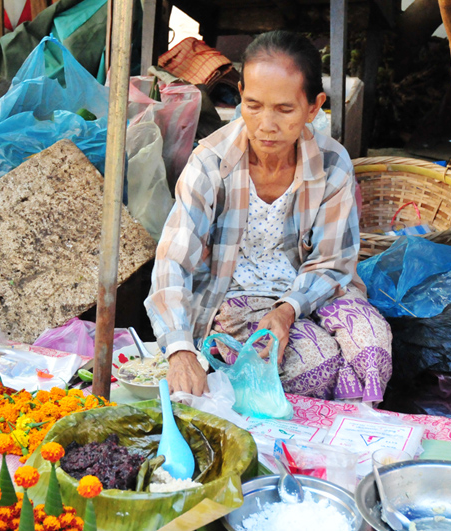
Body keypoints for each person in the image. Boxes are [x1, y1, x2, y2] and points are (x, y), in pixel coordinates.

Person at [145, 30, 392, 403]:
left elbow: (332, 261)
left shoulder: (331, 162)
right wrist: (179, 349)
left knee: (372, 348)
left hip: (312, 294)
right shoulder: (210, 164)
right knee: (313, 365)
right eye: (254, 105)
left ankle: (355, 437)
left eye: (285, 109)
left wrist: (288, 311)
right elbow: (172, 263)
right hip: (237, 299)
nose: (266, 124)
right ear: (240, 94)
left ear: (314, 107)